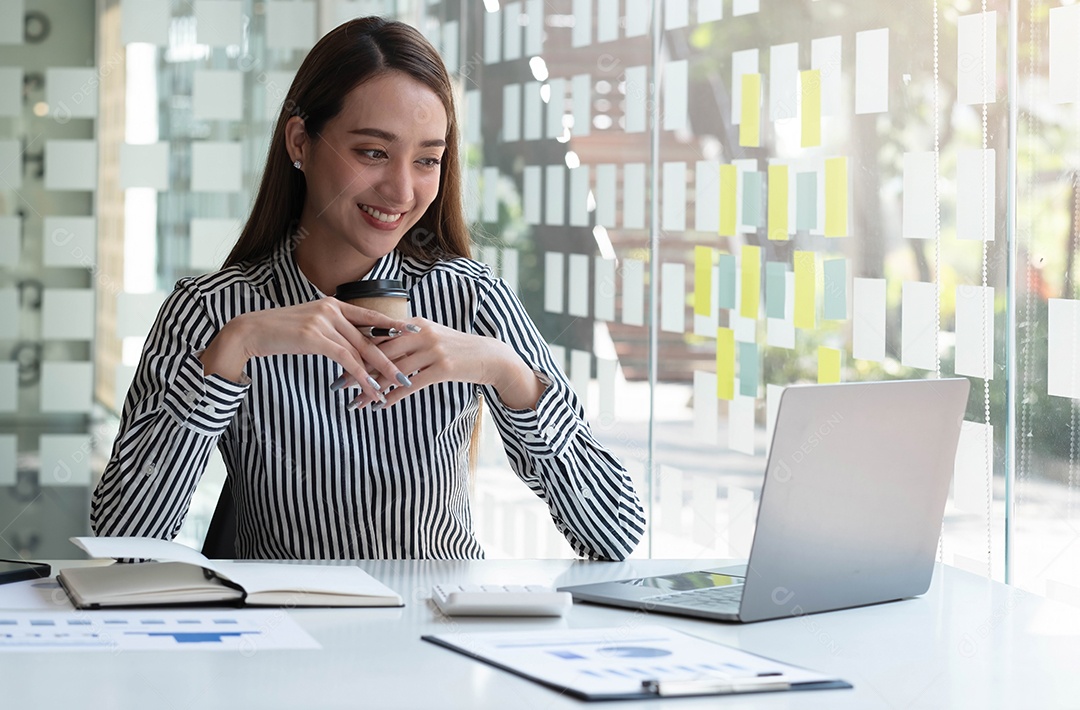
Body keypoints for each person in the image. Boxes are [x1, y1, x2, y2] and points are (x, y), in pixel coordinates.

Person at [91, 17, 645, 561]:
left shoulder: (472, 300)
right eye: (373, 153)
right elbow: (125, 540)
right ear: (301, 142)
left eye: (426, 160)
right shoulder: (212, 311)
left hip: (438, 616)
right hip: (290, 618)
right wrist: (232, 350)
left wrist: (510, 375)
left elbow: (615, 532)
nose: (401, 190)